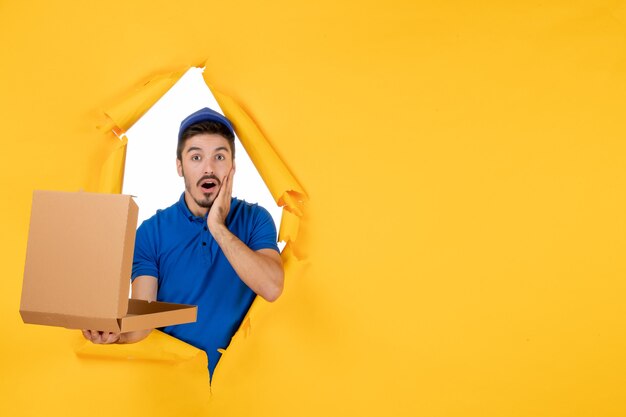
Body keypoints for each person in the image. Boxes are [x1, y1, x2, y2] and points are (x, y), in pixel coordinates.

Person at [83, 107, 284, 377]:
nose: (209, 168)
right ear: (180, 166)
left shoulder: (256, 219)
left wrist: (218, 227)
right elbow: (143, 321)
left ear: (233, 167)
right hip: (175, 387)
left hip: (243, 385)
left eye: (220, 157)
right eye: (196, 157)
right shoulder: (150, 233)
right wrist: (116, 336)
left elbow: (272, 286)